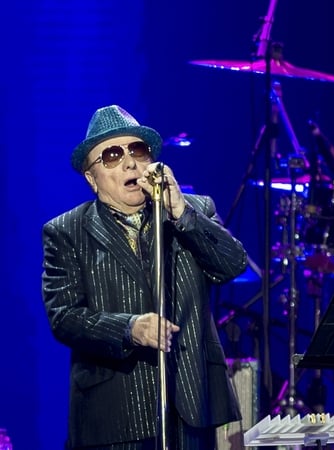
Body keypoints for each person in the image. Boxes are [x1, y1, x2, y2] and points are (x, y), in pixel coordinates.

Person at [41, 105, 248, 449]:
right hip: (113, 413)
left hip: (190, 405)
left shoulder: (192, 209)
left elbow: (233, 265)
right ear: (91, 178)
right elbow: (64, 318)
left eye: (137, 150)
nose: (130, 162)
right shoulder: (66, 232)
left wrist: (181, 212)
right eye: (111, 155)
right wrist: (130, 328)